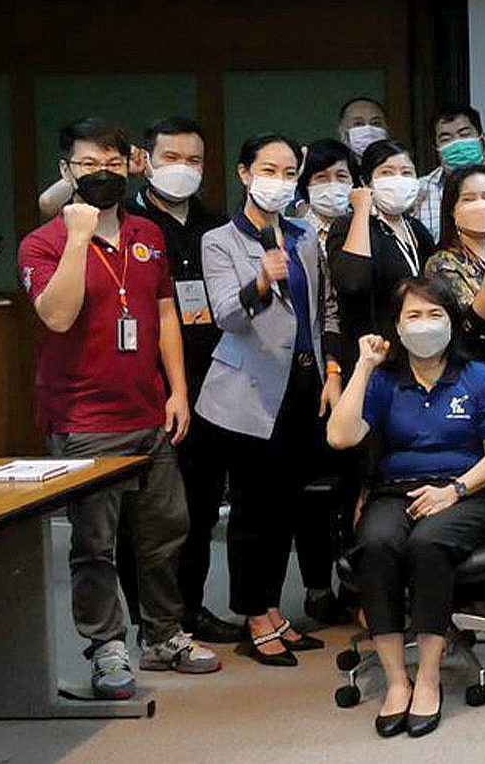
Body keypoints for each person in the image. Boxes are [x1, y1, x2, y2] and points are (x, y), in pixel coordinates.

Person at [20, 118, 217, 698]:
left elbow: (164, 314)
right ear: (66, 171)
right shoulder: (43, 243)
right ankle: (106, 648)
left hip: (149, 412)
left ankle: (163, 634)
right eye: (88, 165)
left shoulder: (147, 233)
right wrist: (78, 238)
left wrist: (177, 390)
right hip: (82, 419)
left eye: (111, 164)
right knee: (94, 544)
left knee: (165, 531)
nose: (101, 174)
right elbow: (58, 316)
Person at [326, 277, 485, 739]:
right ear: (396, 326)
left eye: (435, 314)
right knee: (375, 543)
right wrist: (364, 367)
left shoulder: (480, 379)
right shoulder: (385, 381)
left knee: (428, 544)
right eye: (413, 315)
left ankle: (428, 678)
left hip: (467, 493)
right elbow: (340, 436)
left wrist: (454, 490)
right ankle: (396, 681)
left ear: (452, 323)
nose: (425, 324)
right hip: (396, 491)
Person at [195, 133, 328, 665]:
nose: (279, 181)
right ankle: (253, 615)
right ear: (244, 174)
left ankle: (273, 609)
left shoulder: (304, 235)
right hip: (247, 393)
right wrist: (259, 283)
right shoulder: (220, 240)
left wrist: (329, 371)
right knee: (253, 510)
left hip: (302, 385)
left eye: (289, 172)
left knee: (287, 506)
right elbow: (226, 315)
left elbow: (319, 312)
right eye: (268, 170)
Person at [114, 118, 239, 644]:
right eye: (170, 158)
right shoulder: (124, 221)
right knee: (147, 514)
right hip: (147, 384)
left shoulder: (216, 224)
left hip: (212, 380)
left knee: (201, 507)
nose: (182, 169)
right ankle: (149, 619)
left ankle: (190, 608)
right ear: (145, 160)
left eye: (193, 160)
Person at [292, 137, 360, 626]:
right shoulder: (295, 233)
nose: (333, 187)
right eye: (321, 178)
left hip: (358, 366)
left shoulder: (364, 225)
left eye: (342, 177)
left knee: (357, 482)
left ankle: (360, 585)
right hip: (309, 373)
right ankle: (318, 585)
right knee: (314, 487)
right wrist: (330, 370)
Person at [331, 139, 435, 351]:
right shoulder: (349, 225)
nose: (398, 180)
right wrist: (361, 209)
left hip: (417, 345)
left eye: (406, 173)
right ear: (366, 181)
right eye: (387, 173)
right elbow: (353, 282)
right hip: (371, 349)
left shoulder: (417, 229)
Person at [423, 165, 485, 367]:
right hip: (468, 367)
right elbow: (478, 322)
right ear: (452, 210)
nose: (481, 205)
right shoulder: (442, 263)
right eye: (469, 199)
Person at [415, 105, 485, 239]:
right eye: (446, 139)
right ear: (436, 149)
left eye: (464, 135)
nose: (457, 145)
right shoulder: (419, 191)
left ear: (482, 141)